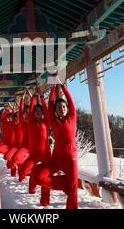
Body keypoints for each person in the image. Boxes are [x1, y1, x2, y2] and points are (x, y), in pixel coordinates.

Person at [35, 79, 79, 209]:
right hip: (57, 158)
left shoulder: (72, 117)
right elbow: (49, 104)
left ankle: (69, 189)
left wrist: (63, 87)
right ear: (55, 110)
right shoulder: (53, 121)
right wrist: (54, 87)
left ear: (67, 108)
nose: (61, 109)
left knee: (73, 194)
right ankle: (64, 184)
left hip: (71, 158)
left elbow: (70, 101)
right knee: (40, 177)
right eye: (59, 107)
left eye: (63, 107)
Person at [18, 90, 52, 207]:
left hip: (46, 154)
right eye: (36, 111)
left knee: (46, 177)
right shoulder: (30, 122)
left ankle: (44, 201)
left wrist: (42, 98)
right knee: (23, 171)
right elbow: (30, 109)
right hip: (34, 154)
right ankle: (32, 178)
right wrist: (32, 98)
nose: (38, 112)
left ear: (42, 113)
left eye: (40, 111)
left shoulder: (46, 122)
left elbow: (47, 111)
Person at [10, 90, 32, 169]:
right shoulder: (22, 121)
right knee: (14, 161)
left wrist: (29, 94)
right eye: (26, 112)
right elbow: (20, 110)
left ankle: (25, 163)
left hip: (33, 147)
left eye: (29, 111)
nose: (28, 113)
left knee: (16, 163)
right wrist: (22, 97)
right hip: (24, 146)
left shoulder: (33, 121)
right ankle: (24, 161)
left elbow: (33, 104)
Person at [4, 106, 23, 177]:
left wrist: (18, 107)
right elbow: (10, 118)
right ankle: (14, 170)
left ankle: (19, 171)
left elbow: (23, 114)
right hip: (15, 146)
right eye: (16, 117)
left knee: (15, 162)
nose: (17, 118)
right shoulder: (13, 125)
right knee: (9, 163)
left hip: (22, 146)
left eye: (19, 116)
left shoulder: (23, 124)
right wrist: (11, 109)